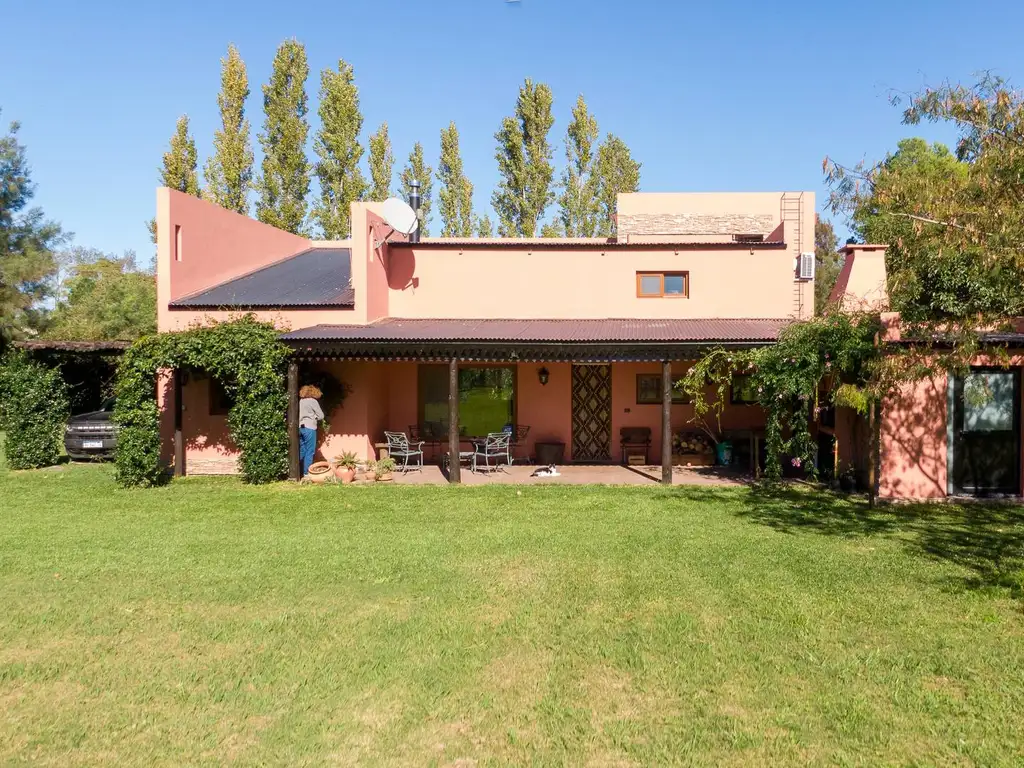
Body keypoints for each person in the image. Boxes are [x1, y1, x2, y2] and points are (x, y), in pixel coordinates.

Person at [298, 384, 324, 477]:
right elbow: (321, 416)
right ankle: (306, 474)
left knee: (302, 450)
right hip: (310, 428)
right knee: (310, 451)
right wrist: (315, 417)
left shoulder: (301, 401)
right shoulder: (313, 401)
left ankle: (297, 471)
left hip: (301, 427)